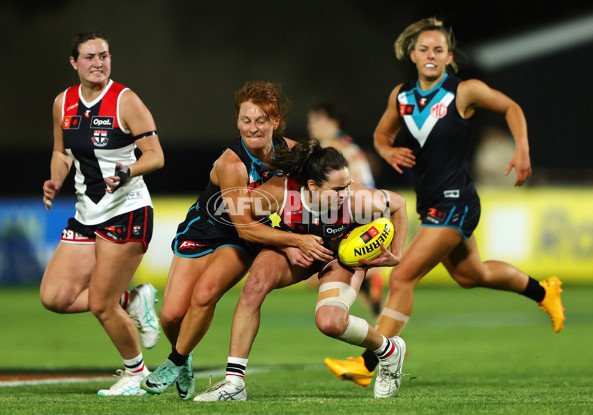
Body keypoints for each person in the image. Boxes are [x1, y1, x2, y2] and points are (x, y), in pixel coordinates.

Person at [324, 17, 565, 388]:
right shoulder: (401, 96)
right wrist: (388, 150)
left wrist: (522, 148)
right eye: (424, 49)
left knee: (403, 275)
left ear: (448, 56)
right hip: (431, 202)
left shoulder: (463, 91)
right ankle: (543, 291)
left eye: (438, 49)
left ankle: (370, 363)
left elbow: (511, 108)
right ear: (413, 55)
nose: (431, 55)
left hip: (457, 201)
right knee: (473, 275)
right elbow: (380, 134)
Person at [140, 82, 333, 400]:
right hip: (206, 229)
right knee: (172, 315)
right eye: (246, 120)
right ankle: (185, 357)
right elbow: (244, 225)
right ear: (237, 121)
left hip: (241, 239)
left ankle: (173, 362)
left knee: (204, 296)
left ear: (275, 122)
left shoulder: (294, 152)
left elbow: (326, 182)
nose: (253, 128)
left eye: (261, 120)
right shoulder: (232, 164)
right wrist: (296, 242)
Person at [193, 138, 409, 401]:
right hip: (294, 248)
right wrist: (289, 244)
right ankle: (234, 384)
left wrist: (396, 254)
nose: (345, 193)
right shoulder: (281, 192)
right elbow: (246, 223)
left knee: (329, 322)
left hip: (338, 257)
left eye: (347, 185)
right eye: (338, 188)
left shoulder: (357, 200)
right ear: (312, 185)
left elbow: (398, 205)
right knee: (254, 285)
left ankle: (388, 352)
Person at [40, 31, 164, 396]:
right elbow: (62, 152)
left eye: (104, 55)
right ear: (74, 62)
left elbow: (155, 156)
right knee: (55, 297)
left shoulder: (125, 100)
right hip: (87, 211)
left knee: (100, 304)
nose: (99, 62)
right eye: (91, 56)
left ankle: (136, 373)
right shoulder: (63, 102)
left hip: (127, 210)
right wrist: (55, 179)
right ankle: (135, 300)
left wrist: (129, 170)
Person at [307, 100, 384, 319]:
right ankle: (383, 328)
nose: (311, 125)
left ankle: (381, 333)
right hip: (366, 212)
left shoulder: (332, 148)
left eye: (316, 119)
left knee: (321, 275)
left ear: (331, 121)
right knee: (359, 281)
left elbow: (352, 185)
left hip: (357, 214)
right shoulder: (346, 144)